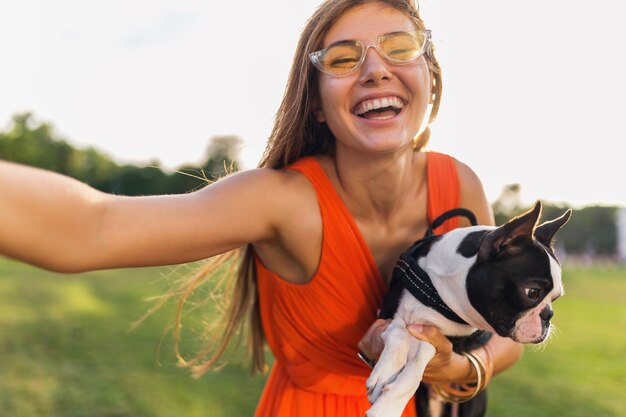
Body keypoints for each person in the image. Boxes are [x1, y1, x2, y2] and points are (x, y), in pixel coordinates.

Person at [0, 0, 523, 416]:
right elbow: (94, 225)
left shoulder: (460, 186)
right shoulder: (282, 201)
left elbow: (511, 328)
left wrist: (461, 370)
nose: (375, 69)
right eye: (343, 58)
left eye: (399, 48)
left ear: (429, 74)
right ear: (316, 101)